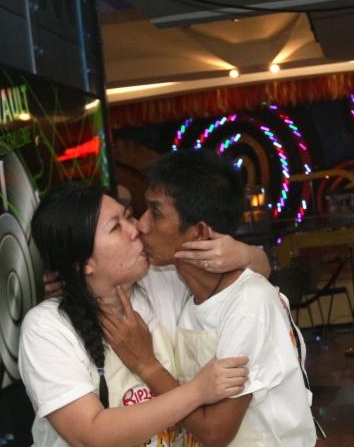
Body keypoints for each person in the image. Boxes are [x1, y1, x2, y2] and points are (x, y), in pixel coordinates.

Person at [101, 149, 317, 446]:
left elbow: (216, 431)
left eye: (156, 212)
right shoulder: (183, 290)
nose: (141, 225)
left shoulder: (248, 304)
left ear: (200, 232)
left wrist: (146, 364)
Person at [19, 181, 257, 447]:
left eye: (128, 216)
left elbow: (254, 282)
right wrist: (198, 391)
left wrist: (243, 252)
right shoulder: (46, 328)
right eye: (115, 227)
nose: (137, 229)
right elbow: (91, 435)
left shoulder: (165, 281)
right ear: (84, 264)